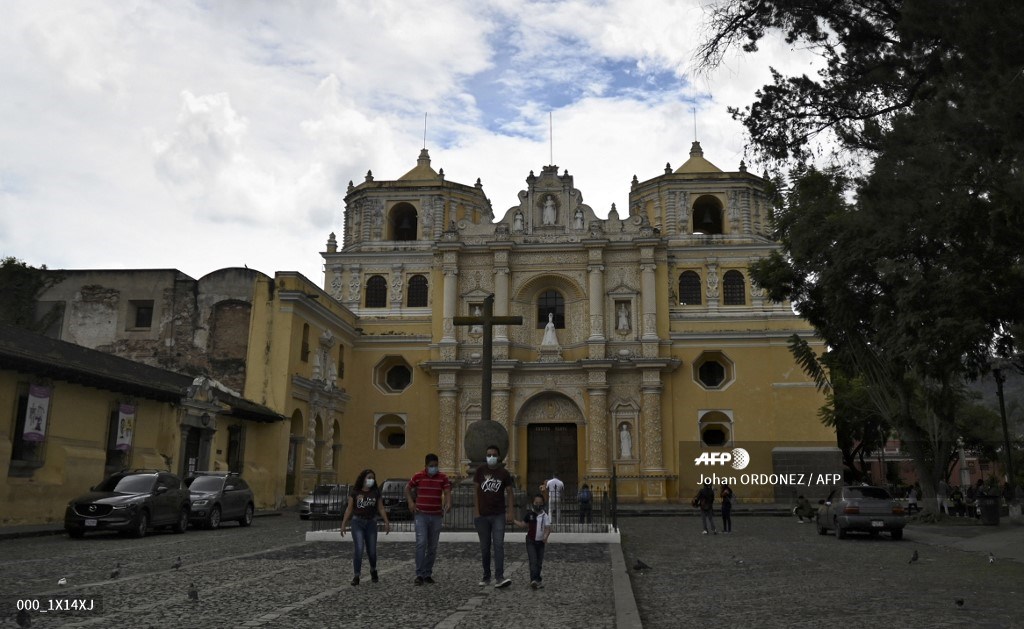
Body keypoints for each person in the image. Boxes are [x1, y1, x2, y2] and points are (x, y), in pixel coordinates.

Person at [405, 453, 452, 585]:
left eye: (436, 466)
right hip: (421, 515)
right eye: (431, 466)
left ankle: (427, 573)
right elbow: (407, 488)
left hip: (436, 515)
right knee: (421, 543)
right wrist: (410, 502)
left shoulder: (443, 477)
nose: (434, 468)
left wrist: (448, 502)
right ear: (426, 466)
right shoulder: (418, 476)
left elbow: (447, 491)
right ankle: (419, 574)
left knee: (432, 547)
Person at [473, 445, 515, 588]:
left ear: (499, 457)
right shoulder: (480, 471)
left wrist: (510, 512)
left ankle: (499, 577)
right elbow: (476, 491)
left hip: (498, 515)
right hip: (482, 515)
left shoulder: (504, 473)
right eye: (489, 454)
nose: (491, 457)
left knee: (498, 545)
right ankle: (486, 576)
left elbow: (510, 492)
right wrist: (477, 512)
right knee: (485, 547)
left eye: (494, 454)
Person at [340, 468, 391, 586]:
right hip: (357, 522)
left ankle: (373, 569)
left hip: (371, 523)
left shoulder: (375, 492)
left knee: (372, 551)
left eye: (373, 478)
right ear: (363, 479)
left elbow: (381, 508)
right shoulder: (355, 492)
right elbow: (349, 509)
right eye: (369, 478)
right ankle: (356, 575)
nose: (371, 480)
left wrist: (386, 521)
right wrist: (343, 524)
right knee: (359, 548)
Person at [514, 493, 552, 589]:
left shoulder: (545, 516)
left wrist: (545, 536)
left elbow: (548, 528)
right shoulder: (529, 514)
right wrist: (513, 521)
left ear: (543, 504)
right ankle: (533, 580)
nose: (538, 504)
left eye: (540, 503)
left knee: (539, 562)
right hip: (530, 541)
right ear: (533, 503)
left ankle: (538, 579)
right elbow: (523, 525)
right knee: (533, 560)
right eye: (536, 502)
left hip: (541, 542)